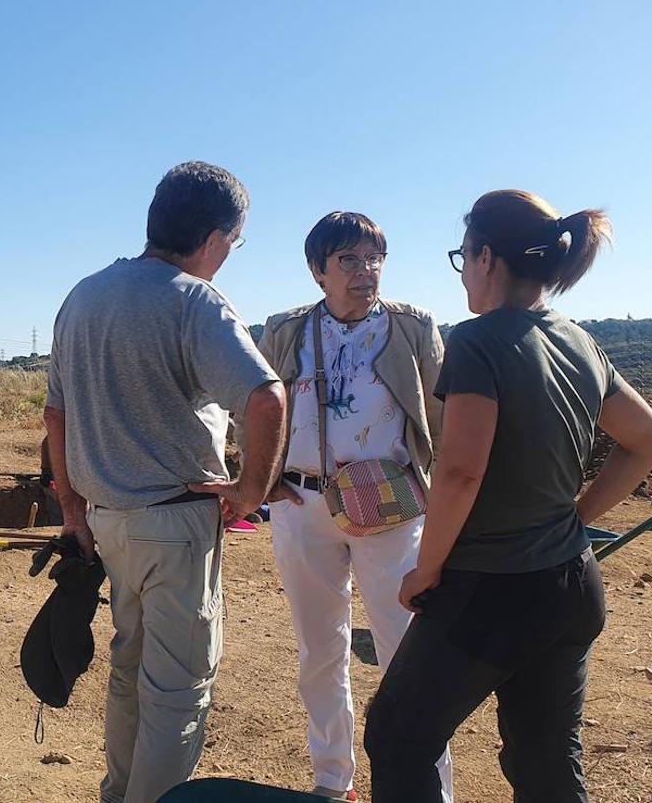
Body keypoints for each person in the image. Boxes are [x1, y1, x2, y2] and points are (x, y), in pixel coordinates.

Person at [365, 190, 652, 802]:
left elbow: (461, 471)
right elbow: (645, 440)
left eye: (462, 256)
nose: (464, 269)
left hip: (490, 588)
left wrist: (427, 568)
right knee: (545, 756)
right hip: (571, 584)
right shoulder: (578, 340)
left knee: (398, 736)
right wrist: (578, 515)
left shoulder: (477, 341)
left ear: (486, 258)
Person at [46, 161, 286, 803]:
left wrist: (72, 510)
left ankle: (119, 794)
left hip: (107, 521)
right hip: (175, 524)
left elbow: (55, 414)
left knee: (130, 670)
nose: (228, 258)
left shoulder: (84, 295)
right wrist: (251, 493)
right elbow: (265, 398)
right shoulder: (194, 301)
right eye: (233, 244)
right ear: (214, 237)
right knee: (178, 692)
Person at [257, 212, 451, 800]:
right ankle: (330, 782)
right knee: (320, 649)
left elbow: (443, 419)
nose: (365, 273)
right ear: (319, 272)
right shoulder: (286, 330)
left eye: (374, 259)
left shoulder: (412, 328)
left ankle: (424, 790)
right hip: (301, 502)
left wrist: (447, 498)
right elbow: (258, 406)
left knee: (406, 650)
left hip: (392, 507)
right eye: (349, 261)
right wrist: (261, 480)